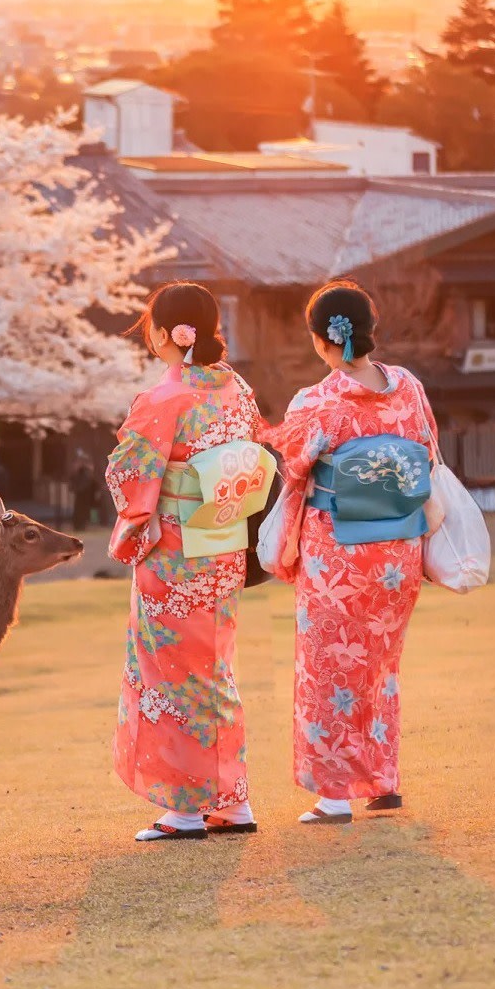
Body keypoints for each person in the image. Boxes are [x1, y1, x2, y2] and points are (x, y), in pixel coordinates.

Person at [266, 279, 440, 825]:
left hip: (338, 553)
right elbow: (429, 450)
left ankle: (335, 795)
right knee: (379, 668)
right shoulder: (408, 386)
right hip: (398, 552)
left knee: (328, 669)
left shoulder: (317, 400)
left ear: (321, 340)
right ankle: (382, 781)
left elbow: (292, 466)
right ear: (370, 329)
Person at [105, 281, 269, 841]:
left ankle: (184, 807)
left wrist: (134, 522)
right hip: (221, 547)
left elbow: (131, 476)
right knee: (215, 670)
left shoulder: (164, 400)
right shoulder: (237, 391)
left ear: (164, 333)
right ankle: (231, 800)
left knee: (173, 674)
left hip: (174, 557)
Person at [69, 449, 99, 531]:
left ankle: (81, 525)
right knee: (80, 510)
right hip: (81, 494)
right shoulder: (81, 472)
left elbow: (92, 483)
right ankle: (79, 525)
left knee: (83, 511)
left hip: (84, 495)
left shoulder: (87, 472)